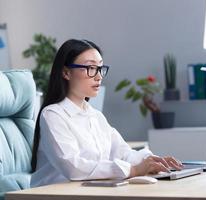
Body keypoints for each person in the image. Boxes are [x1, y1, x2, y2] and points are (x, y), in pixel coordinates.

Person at [30, 39, 183, 187]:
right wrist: (134, 170)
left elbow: (124, 154)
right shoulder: (53, 115)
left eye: (100, 68)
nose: (99, 76)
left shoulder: (95, 116)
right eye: (90, 68)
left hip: (87, 192)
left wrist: (151, 161)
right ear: (66, 72)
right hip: (53, 194)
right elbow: (73, 167)